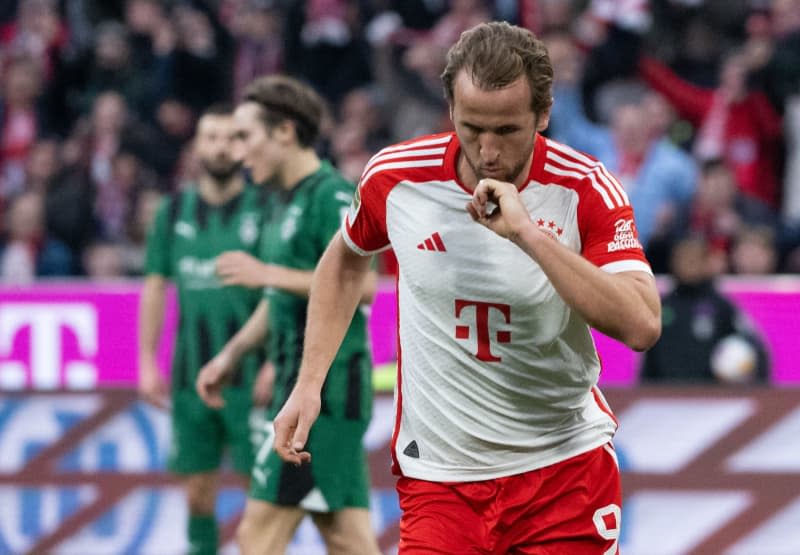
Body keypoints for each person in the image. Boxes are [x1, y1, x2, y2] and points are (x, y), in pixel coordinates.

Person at [273, 21, 662, 554]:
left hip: (562, 472)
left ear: (543, 115)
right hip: (440, 479)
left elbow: (641, 324)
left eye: (506, 130)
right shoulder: (397, 179)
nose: (487, 150)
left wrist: (528, 235)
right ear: (450, 109)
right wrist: (308, 382)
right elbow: (344, 260)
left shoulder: (585, 189)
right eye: (471, 126)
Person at [194, 75, 380, 555]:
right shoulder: (282, 203)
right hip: (302, 392)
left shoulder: (331, 195)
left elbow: (364, 287)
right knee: (346, 536)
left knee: (257, 535)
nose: (238, 152)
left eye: (245, 136)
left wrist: (267, 273)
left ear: (285, 132)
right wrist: (230, 356)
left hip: (329, 392)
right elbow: (277, 296)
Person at [138, 105, 269, 555]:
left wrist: (277, 364)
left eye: (231, 137)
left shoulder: (266, 208)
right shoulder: (172, 211)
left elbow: (283, 293)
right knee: (197, 494)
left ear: (244, 145)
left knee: (263, 497)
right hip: (189, 372)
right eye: (210, 137)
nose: (220, 146)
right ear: (196, 146)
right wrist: (145, 362)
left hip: (252, 375)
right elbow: (155, 286)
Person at [641, 235, 769, 384]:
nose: (688, 264)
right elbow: (648, 359)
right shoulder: (661, 307)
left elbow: (755, 349)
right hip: (667, 398)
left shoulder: (721, 307)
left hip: (711, 398)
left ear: (706, 262)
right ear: (673, 262)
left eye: (694, 259)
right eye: (683, 258)